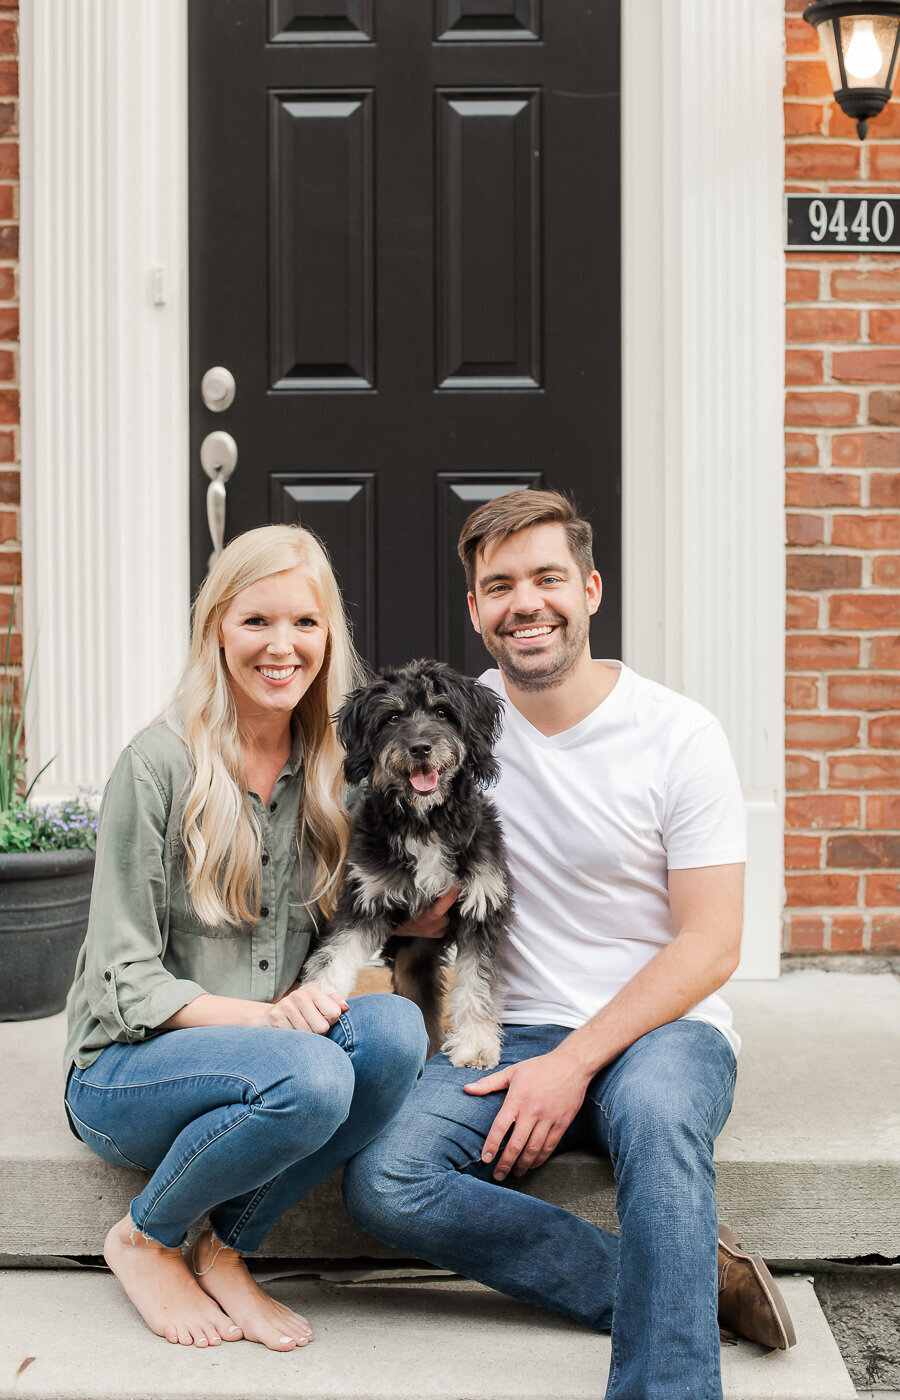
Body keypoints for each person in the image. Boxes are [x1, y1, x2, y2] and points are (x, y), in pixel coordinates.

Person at [342, 490, 792, 1399]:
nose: (526, 603)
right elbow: (380, 856)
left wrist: (573, 1062)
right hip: (508, 1032)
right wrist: (405, 922)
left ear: (589, 589)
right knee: (385, 1178)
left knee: (658, 1120)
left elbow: (712, 945)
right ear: (476, 610)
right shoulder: (448, 728)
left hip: (661, 1030)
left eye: (547, 578)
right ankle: (681, 1282)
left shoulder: (678, 734)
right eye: (499, 585)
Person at [63, 525, 428, 1352]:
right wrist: (265, 1019)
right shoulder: (157, 765)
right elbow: (122, 980)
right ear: (216, 630)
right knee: (313, 1075)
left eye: (304, 622)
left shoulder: (335, 769)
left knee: (395, 1035)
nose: (281, 646)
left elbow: (357, 924)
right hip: (127, 1073)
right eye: (256, 620)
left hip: (271, 1065)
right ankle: (146, 1236)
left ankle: (224, 1246)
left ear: (328, 635)